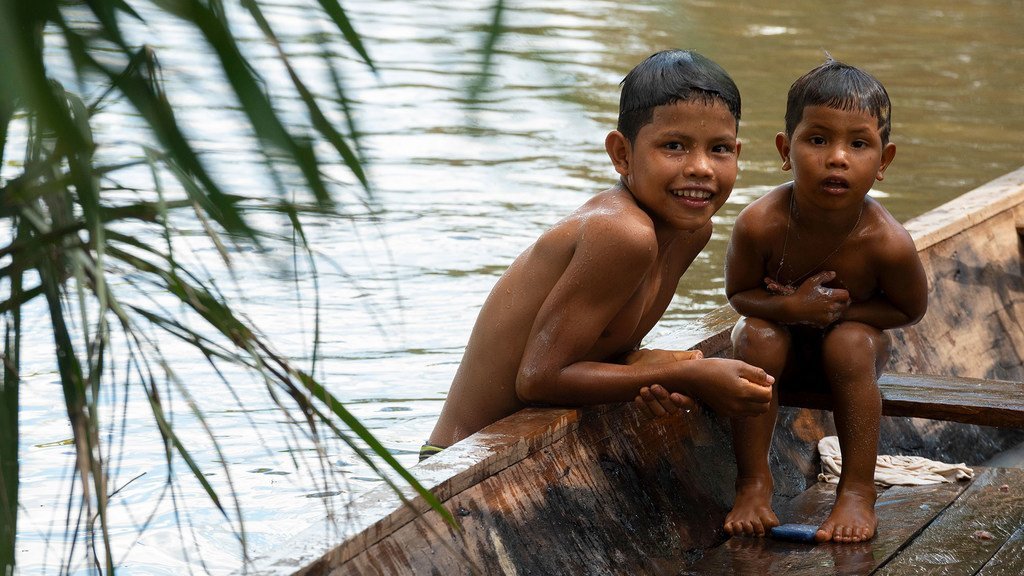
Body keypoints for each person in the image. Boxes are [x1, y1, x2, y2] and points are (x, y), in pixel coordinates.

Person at [423, 49, 775, 459]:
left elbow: (593, 349)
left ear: (738, 153)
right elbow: (537, 380)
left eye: (719, 150)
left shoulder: (690, 232)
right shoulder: (622, 232)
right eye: (674, 146)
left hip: (543, 452)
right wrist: (688, 374)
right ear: (622, 154)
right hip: (459, 458)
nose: (701, 167)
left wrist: (638, 364)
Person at [722, 57, 928, 543]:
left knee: (851, 343)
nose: (837, 158)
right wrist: (792, 310)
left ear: (884, 162)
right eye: (818, 139)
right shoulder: (760, 223)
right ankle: (753, 482)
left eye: (859, 144)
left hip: (851, 357)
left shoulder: (887, 242)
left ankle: (857, 489)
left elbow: (908, 310)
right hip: (781, 349)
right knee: (755, 335)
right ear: (785, 149)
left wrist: (837, 314)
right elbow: (739, 296)